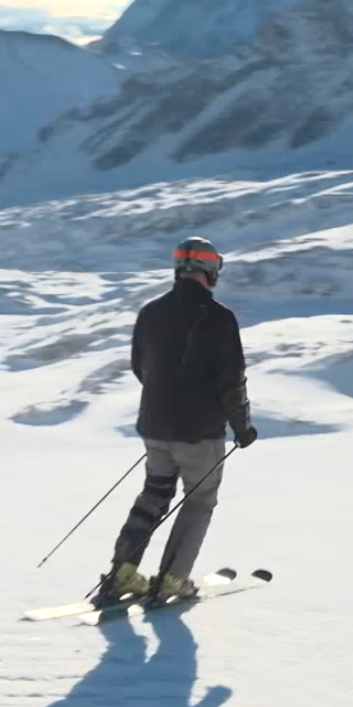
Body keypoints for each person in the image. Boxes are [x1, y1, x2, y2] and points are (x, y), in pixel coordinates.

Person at [95, 237, 258, 604]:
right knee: (199, 500)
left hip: (155, 427)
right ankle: (172, 581)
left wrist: (165, 404)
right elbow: (232, 381)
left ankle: (123, 573)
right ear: (211, 270)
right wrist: (242, 427)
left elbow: (141, 368)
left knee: (154, 493)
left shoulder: (150, 312)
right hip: (199, 433)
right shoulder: (219, 318)